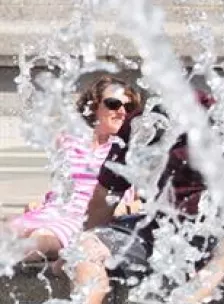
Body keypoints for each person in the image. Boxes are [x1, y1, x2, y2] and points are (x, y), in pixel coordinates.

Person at [68, 89, 224, 304]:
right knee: (84, 248)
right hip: (160, 231)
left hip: (221, 233)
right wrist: (76, 254)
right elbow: (106, 192)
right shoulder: (144, 122)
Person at [8, 75, 140, 262]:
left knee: (41, 240)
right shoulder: (68, 141)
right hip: (53, 211)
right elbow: (66, 185)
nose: (122, 112)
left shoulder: (130, 151)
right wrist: (43, 199)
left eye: (129, 108)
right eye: (113, 104)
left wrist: (125, 208)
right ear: (94, 106)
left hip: (87, 220)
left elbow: (145, 201)